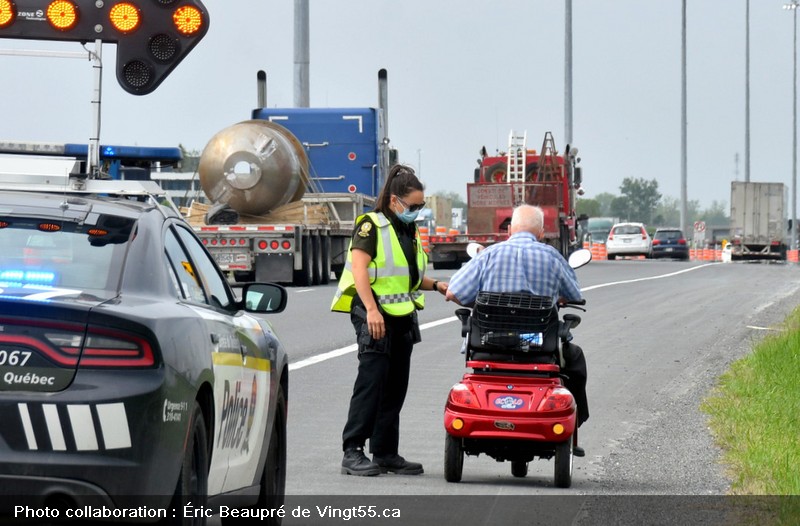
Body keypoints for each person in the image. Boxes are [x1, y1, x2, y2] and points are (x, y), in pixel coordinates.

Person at [331, 164, 449, 476]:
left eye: (421, 206)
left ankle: (384, 451)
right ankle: (352, 449)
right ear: (395, 200)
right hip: (373, 314)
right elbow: (359, 271)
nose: (418, 211)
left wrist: (436, 285)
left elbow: (408, 278)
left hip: (402, 316)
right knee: (371, 382)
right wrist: (371, 310)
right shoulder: (371, 226)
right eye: (414, 206)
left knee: (395, 386)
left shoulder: (408, 230)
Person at [445, 204, 589, 456]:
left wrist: (479, 301)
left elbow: (453, 292)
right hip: (537, 347)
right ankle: (574, 428)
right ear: (541, 233)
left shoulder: (488, 255)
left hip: (488, 344)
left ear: (510, 229)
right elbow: (575, 294)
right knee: (574, 359)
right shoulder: (552, 257)